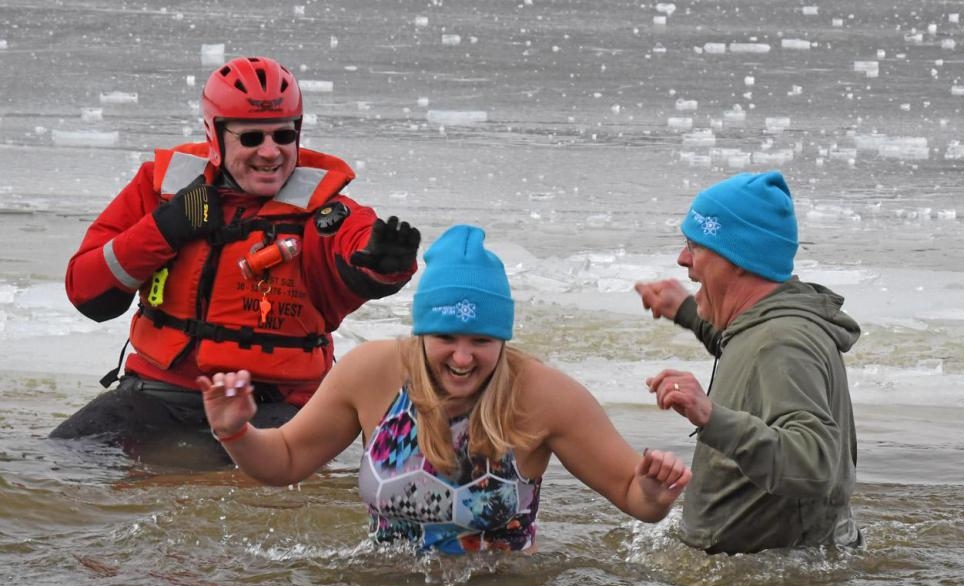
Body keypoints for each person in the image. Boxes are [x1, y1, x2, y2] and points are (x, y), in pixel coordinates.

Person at [199, 224, 692, 554]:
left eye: (481, 340)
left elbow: (634, 496)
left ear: (503, 337)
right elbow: (284, 460)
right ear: (420, 333)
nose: (462, 357)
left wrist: (653, 490)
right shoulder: (373, 372)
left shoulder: (543, 395)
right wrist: (237, 431)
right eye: (445, 339)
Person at [51, 56, 420, 465]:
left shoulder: (324, 210)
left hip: (275, 406)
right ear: (214, 135)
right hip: (157, 394)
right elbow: (86, 291)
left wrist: (384, 264)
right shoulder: (160, 190)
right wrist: (163, 230)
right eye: (250, 139)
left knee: (249, 489)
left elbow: (353, 244)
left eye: (283, 135)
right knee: (56, 463)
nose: (270, 152)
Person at [635, 171, 861, 555]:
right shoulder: (765, 325)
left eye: (696, 245)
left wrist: (710, 416)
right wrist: (688, 312)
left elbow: (815, 463)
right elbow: (743, 352)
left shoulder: (783, 342)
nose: (683, 259)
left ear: (736, 260)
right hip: (755, 575)